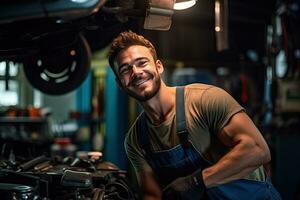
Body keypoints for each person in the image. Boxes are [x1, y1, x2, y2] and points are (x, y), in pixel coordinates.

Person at [108, 30, 281, 200]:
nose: (136, 72)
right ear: (119, 83)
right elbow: (152, 195)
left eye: (142, 63)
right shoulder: (136, 140)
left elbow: (258, 150)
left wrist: (195, 182)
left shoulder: (204, 100)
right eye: (125, 69)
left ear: (158, 66)